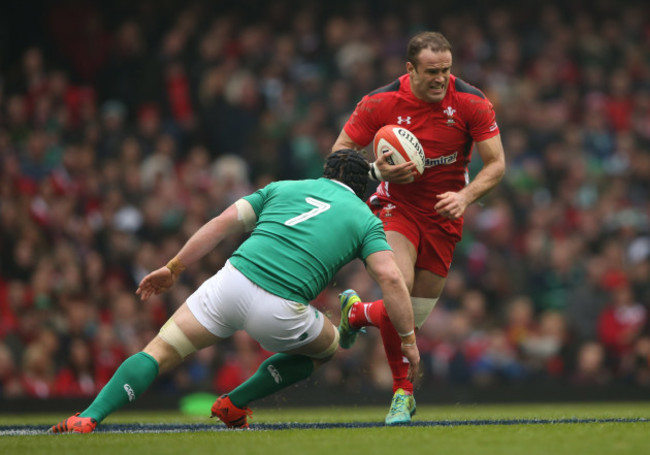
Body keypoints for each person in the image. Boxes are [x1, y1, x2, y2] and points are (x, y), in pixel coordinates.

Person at [48, 149, 420, 433]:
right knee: (329, 346)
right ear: (362, 187)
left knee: (160, 350)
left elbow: (221, 224)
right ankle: (234, 403)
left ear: (324, 172)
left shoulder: (282, 188)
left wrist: (174, 266)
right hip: (280, 310)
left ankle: (89, 417)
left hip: (230, 282)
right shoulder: (365, 218)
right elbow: (389, 278)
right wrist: (407, 339)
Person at [332, 31, 506, 425]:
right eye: (431, 71)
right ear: (409, 68)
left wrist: (465, 197)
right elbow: (338, 155)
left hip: (446, 217)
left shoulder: (471, 102)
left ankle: (357, 314)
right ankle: (402, 394)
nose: (440, 79)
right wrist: (376, 171)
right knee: (398, 284)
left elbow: (496, 164)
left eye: (446, 70)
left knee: (409, 316)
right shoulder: (380, 102)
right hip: (397, 208)